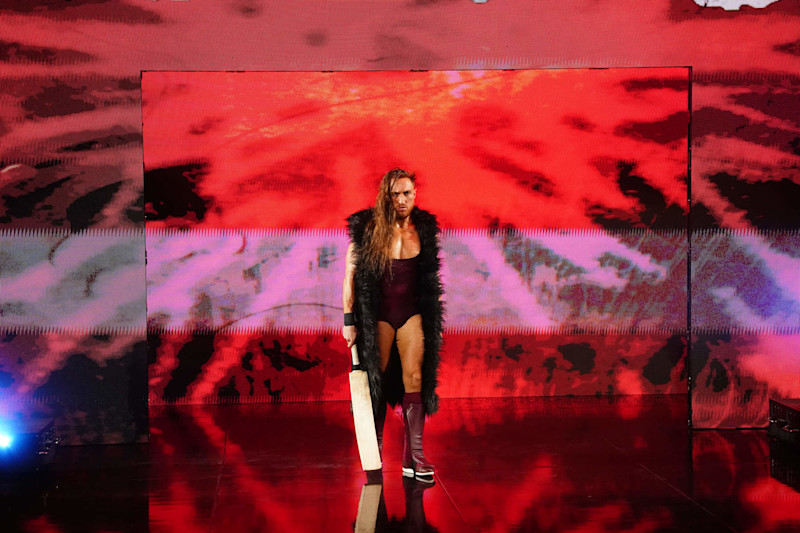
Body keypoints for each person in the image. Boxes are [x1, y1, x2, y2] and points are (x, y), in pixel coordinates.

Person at [342, 168, 444, 482]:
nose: (401, 199)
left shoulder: (423, 230)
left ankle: (414, 456)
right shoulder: (368, 229)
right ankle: (375, 451)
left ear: (415, 194)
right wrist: (349, 321)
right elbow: (350, 279)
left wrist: (433, 321)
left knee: (415, 376)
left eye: (407, 193)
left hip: (411, 314)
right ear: (385, 195)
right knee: (378, 381)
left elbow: (429, 279)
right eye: (395, 194)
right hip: (379, 316)